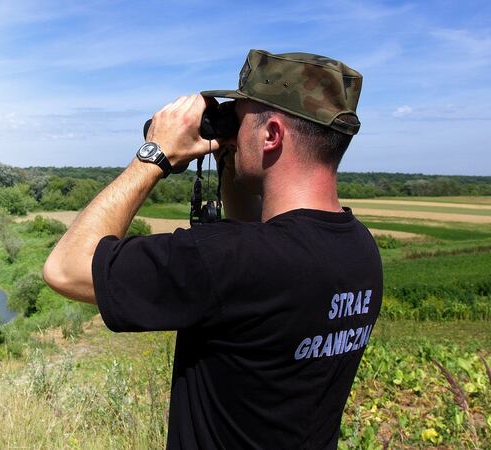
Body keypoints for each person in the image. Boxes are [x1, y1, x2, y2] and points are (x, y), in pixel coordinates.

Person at [43, 49, 382, 449]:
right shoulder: (360, 250)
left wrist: (155, 154)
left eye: (238, 120)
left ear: (272, 135)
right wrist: (230, 158)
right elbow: (258, 245)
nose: (233, 132)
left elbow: (65, 268)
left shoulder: (225, 260)